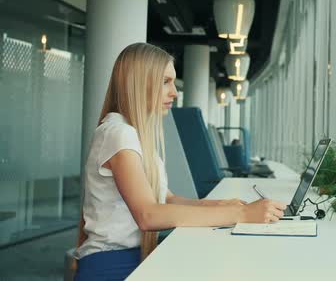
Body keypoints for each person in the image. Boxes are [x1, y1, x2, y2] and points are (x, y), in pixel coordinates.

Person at [73, 43, 286, 280]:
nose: (174, 92)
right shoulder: (118, 133)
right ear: (138, 82)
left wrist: (223, 206)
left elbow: (167, 198)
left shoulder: (134, 134)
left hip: (131, 256)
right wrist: (242, 215)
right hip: (111, 264)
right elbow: (148, 215)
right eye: (165, 82)